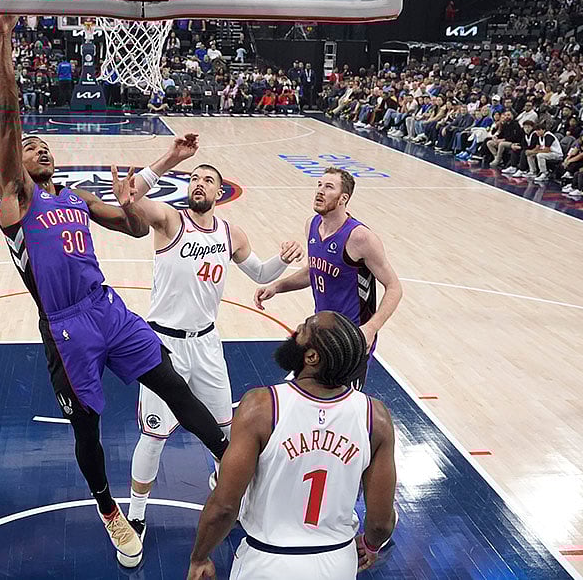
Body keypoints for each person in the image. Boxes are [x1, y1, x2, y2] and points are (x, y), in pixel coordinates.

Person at [0, 14, 229, 568]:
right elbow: (8, 120)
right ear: (16, 163)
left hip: (107, 309)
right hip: (66, 325)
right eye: (32, 148)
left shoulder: (73, 197)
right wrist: (4, 39)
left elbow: (135, 227)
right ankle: (109, 510)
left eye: (46, 147)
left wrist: (134, 192)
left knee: (173, 385)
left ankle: (230, 457)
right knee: (88, 425)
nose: (40, 150)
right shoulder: (16, 202)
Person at [117, 155, 304, 545]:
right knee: (154, 437)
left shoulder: (231, 233)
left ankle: (228, 491)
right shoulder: (170, 220)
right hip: (163, 345)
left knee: (225, 432)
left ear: (220, 192)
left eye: (207, 180)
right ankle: (136, 515)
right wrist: (168, 162)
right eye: (194, 179)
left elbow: (259, 273)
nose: (199, 184)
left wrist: (280, 262)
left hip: (206, 344)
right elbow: (134, 198)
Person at [186, 311, 397, 579]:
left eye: (306, 327)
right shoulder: (375, 418)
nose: (296, 328)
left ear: (312, 358)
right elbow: (380, 523)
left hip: (267, 561)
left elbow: (225, 506)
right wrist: (369, 545)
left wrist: (200, 556)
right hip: (337, 562)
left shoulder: (261, 407)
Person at [254, 168, 402, 390]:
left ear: (344, 198)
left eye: (329, 187)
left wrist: (371, 328)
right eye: (319, 185)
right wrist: (277, 286)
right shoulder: (312, 225)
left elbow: (394, 287)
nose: (320, 191)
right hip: (320, 331)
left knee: (340, 407)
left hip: (351, 338)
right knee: (307, 397)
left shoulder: (360, 237)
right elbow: (314, 271)